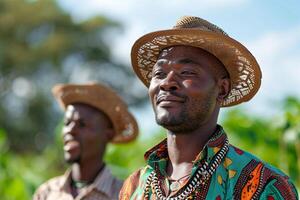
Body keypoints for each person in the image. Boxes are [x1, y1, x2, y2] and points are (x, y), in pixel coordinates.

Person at [119, 16, 298, 199]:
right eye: (159, 73)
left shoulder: (264, 185)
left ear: (222, 89)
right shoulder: (134, 187)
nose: (167, 83)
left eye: (187, 72)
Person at [33, 83, 138, 200]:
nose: (70, 130)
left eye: (82, 125)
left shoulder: (126, 195)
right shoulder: (46, 193)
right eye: (67, 123)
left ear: (108, 134)